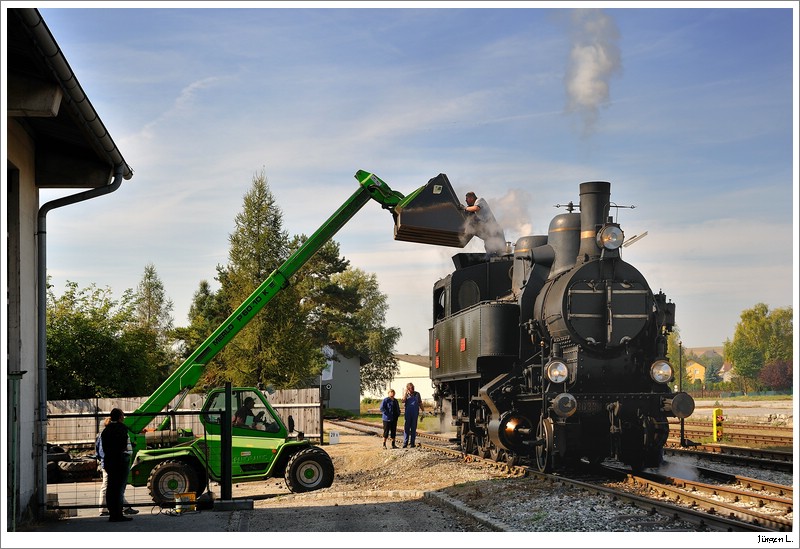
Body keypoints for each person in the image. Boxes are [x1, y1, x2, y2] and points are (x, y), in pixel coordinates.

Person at [96, 418, 137, 516]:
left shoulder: (102, 435)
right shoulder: (112, 434)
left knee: (112, 486)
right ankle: (105, 509)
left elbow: (98, 451)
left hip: (107, 462)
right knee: (111, 486)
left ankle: (122, 507)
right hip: (112, 461)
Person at [100, 408, 132, 522]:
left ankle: (112, 514)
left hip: (109, 460)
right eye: (123, 415)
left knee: (110, 488)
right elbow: (123, 445)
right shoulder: (122, 428)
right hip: (119, 460)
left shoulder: (106, 430)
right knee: (119, 489)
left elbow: (104, 447)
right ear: (120, 417)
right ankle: (119, 514)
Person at [464, 191, 507, 257]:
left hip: (495, 230)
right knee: (489, 252)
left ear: (471, 198)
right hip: (489, 232)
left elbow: (476, 208)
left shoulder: (480, 200)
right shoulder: (474, 209)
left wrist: (465, 208)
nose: (465, 200)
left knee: (501, 254)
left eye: (467, 199)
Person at [401, 383, 424, 448]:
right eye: (411, 388)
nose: (413, 389)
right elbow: (403, 401)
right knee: (406, 428)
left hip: (415, 413)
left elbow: (420, 403)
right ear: (408, 388)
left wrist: (423, 411)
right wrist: (405, 393)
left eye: (413, 387)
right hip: (408, 414)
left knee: (414, 428)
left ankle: (412, 443)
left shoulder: (417, 394)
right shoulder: (406, 395)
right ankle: (405, 443)